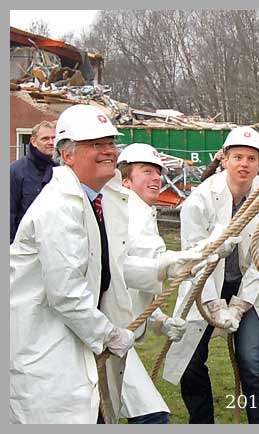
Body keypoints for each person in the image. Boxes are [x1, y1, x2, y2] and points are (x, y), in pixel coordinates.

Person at [10, 104, 136, 423]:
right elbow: (65, 293)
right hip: (44, 349)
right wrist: (108, 334)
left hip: (63, 342)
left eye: (110, 143)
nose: (108, 151)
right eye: (96, 145)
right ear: (67, 155)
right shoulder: (60, 208)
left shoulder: (88, 200)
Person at [163, 126, 259, 424]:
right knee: (190, 359)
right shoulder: (200, 199)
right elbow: (196, 257)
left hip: (250, 290)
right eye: (238, 157)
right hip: (205, 286)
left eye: (251, 158)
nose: (244, 164)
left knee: (253, 361)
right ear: (225, 159)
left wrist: (240, 306)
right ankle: (202, 422)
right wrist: (215, 304)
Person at [117, 143, 208, 424]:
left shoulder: (142, 214)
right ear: (126, 181)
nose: (156, 178)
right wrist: (202, 252)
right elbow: (132, 269)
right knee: (151, 416)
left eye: (158, 172)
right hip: (108, 335)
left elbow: (136, 287)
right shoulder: (128, 216)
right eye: (146, 172)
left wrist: (159, 321)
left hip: (118, 335)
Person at [10, 120, 57, 243]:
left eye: (53, 138)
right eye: (45, 138)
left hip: (52, 243)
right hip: (24, 246)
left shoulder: (59, 171)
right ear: (33, 142)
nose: (51, 142)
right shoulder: (16, 171)